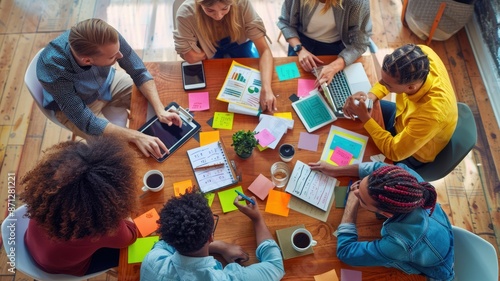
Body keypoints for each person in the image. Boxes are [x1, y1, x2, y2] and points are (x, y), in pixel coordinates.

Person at [37, 18, 182, 159]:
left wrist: (160, 110)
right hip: (79, 107)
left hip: (107, 82)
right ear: (87, 61)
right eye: (113, 56)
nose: (120, 56)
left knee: (162, 99)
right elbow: (87, 121)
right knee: (120, 154)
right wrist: (135, 136)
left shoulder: (105, 36)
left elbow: (139, 71)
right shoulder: (53, 70)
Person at [309, 161, 455, 281]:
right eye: (362, 185)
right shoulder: (403, 177)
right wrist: (336, 170)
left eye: (362, 199)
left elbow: (346, 253)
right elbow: (375, 168)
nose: (356, 191)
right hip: (437, 234)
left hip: (436, 270)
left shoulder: (400, 243)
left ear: (386, 213)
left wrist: (351, 205)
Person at [20, 137, 138, 276]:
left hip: (34, 247)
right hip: (64, 269)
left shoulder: (45, 197)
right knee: (129, 252)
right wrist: (122, 212)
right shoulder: (101, 227)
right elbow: (130, 237)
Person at [342, 44, 458, 169]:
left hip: (412, 154)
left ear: (410, 87)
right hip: (400, 116)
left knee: (363, 163)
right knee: (358, 122)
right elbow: (386, 82)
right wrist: (370, 97)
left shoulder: (432, 114)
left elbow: (394, 152)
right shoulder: (420, 55)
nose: (380, 83)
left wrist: (366, 118)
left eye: (387, 85)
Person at [140, 191, 285, 280]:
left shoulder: (151, 261)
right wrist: (257, 219)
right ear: (210, 236)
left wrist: (218, 247)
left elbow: (162, 244)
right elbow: (276, 266)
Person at [174, 0, 277, 113]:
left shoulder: (241, 3)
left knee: (253, 73)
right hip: (210, 50)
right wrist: (206, 53)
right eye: (210, 10)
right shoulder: (185, 13)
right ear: (199, 4)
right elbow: (191, 57)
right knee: (215, 89)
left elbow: (265, 50)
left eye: (224, 8)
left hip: (240, 44)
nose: (218, 16)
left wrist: (267, 89)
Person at [277, 0, 372, 85]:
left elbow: (360, 43)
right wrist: (300, 49)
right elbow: (285, 22)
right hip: (300, 42)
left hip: (334, 48)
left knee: (329, 89)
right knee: (290, 84)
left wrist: (334, 67)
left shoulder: (357, 2)